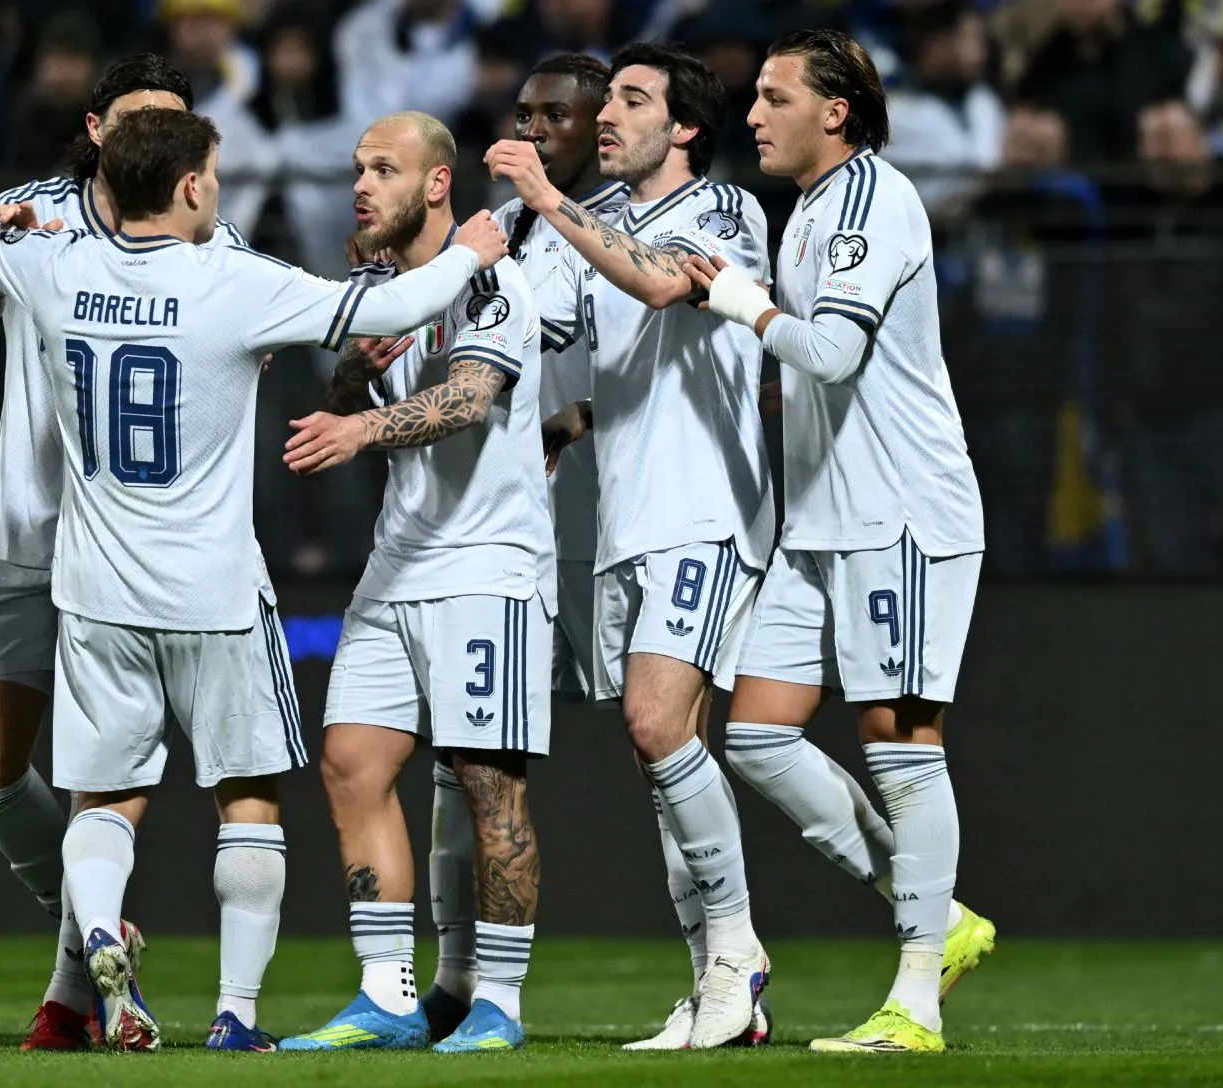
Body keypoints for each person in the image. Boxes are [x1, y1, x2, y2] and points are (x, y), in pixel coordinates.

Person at [0, 92, 509, 1052]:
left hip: (96, 594)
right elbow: (400, 302)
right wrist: (471, 255)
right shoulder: (232, 280)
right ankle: (236, 1014)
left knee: (105, 799)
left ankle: (103, 934)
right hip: (216, 595)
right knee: (247, 796)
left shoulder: (54, 264)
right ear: (192, 185)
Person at [684, 29, 998, 1054]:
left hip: (900, 513)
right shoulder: (810, 209)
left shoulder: (873, 200)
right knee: (761, 732)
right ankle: (936, 912)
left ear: (837, 111)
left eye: (775, 97)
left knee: (901, 743)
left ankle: (917, 999)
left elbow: (827, 350)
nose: (756, 114)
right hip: (822, 518)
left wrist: (730, 294)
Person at [0, 55, 259, 1053]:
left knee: (95, 782)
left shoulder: (210, 231)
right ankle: (87, 922)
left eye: (169, 124)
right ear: (93, 129)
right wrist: (1, 262)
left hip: (111, 549)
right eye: (133, 123)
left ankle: (75, 984)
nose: (148, 143)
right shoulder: (35, 205)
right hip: (15, 523)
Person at [484, 41, 775, 1051]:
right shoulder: (585, 226)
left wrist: (547, 204)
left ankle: (738, 949)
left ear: (684, 127)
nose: (605, 117)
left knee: (658, 723)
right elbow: (536, 331)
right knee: (663, 760)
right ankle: (715, 989)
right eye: (604, 103)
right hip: (624, 523)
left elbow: (663, 286)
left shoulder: (726, 209)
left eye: (631, 102)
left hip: (707, 510)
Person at [275, 110, 550, 1055]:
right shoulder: (382, 293)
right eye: (357, 167)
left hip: (487, 565)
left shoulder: (494, 286)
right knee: (351, 763)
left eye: (383, 169)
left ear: (437, 184)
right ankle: (388, 997)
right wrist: (354, 378)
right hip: (399, 562)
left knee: (487, 783)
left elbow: (470, 397)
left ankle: (499, 1004)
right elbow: (348, 391)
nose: (361, 186)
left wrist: (355, 432)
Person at [414, 51, 628, 1046]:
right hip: (509, 519)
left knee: (672, 741)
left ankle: (728, 959)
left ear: (600, 129)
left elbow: (649, 359)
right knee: (465, 757)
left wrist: (577, 421)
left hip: (612, 518)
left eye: (558, 115)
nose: (534, 129)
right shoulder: (505, 231)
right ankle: (458, 981)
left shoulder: (627, 226)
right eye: (525, 113)